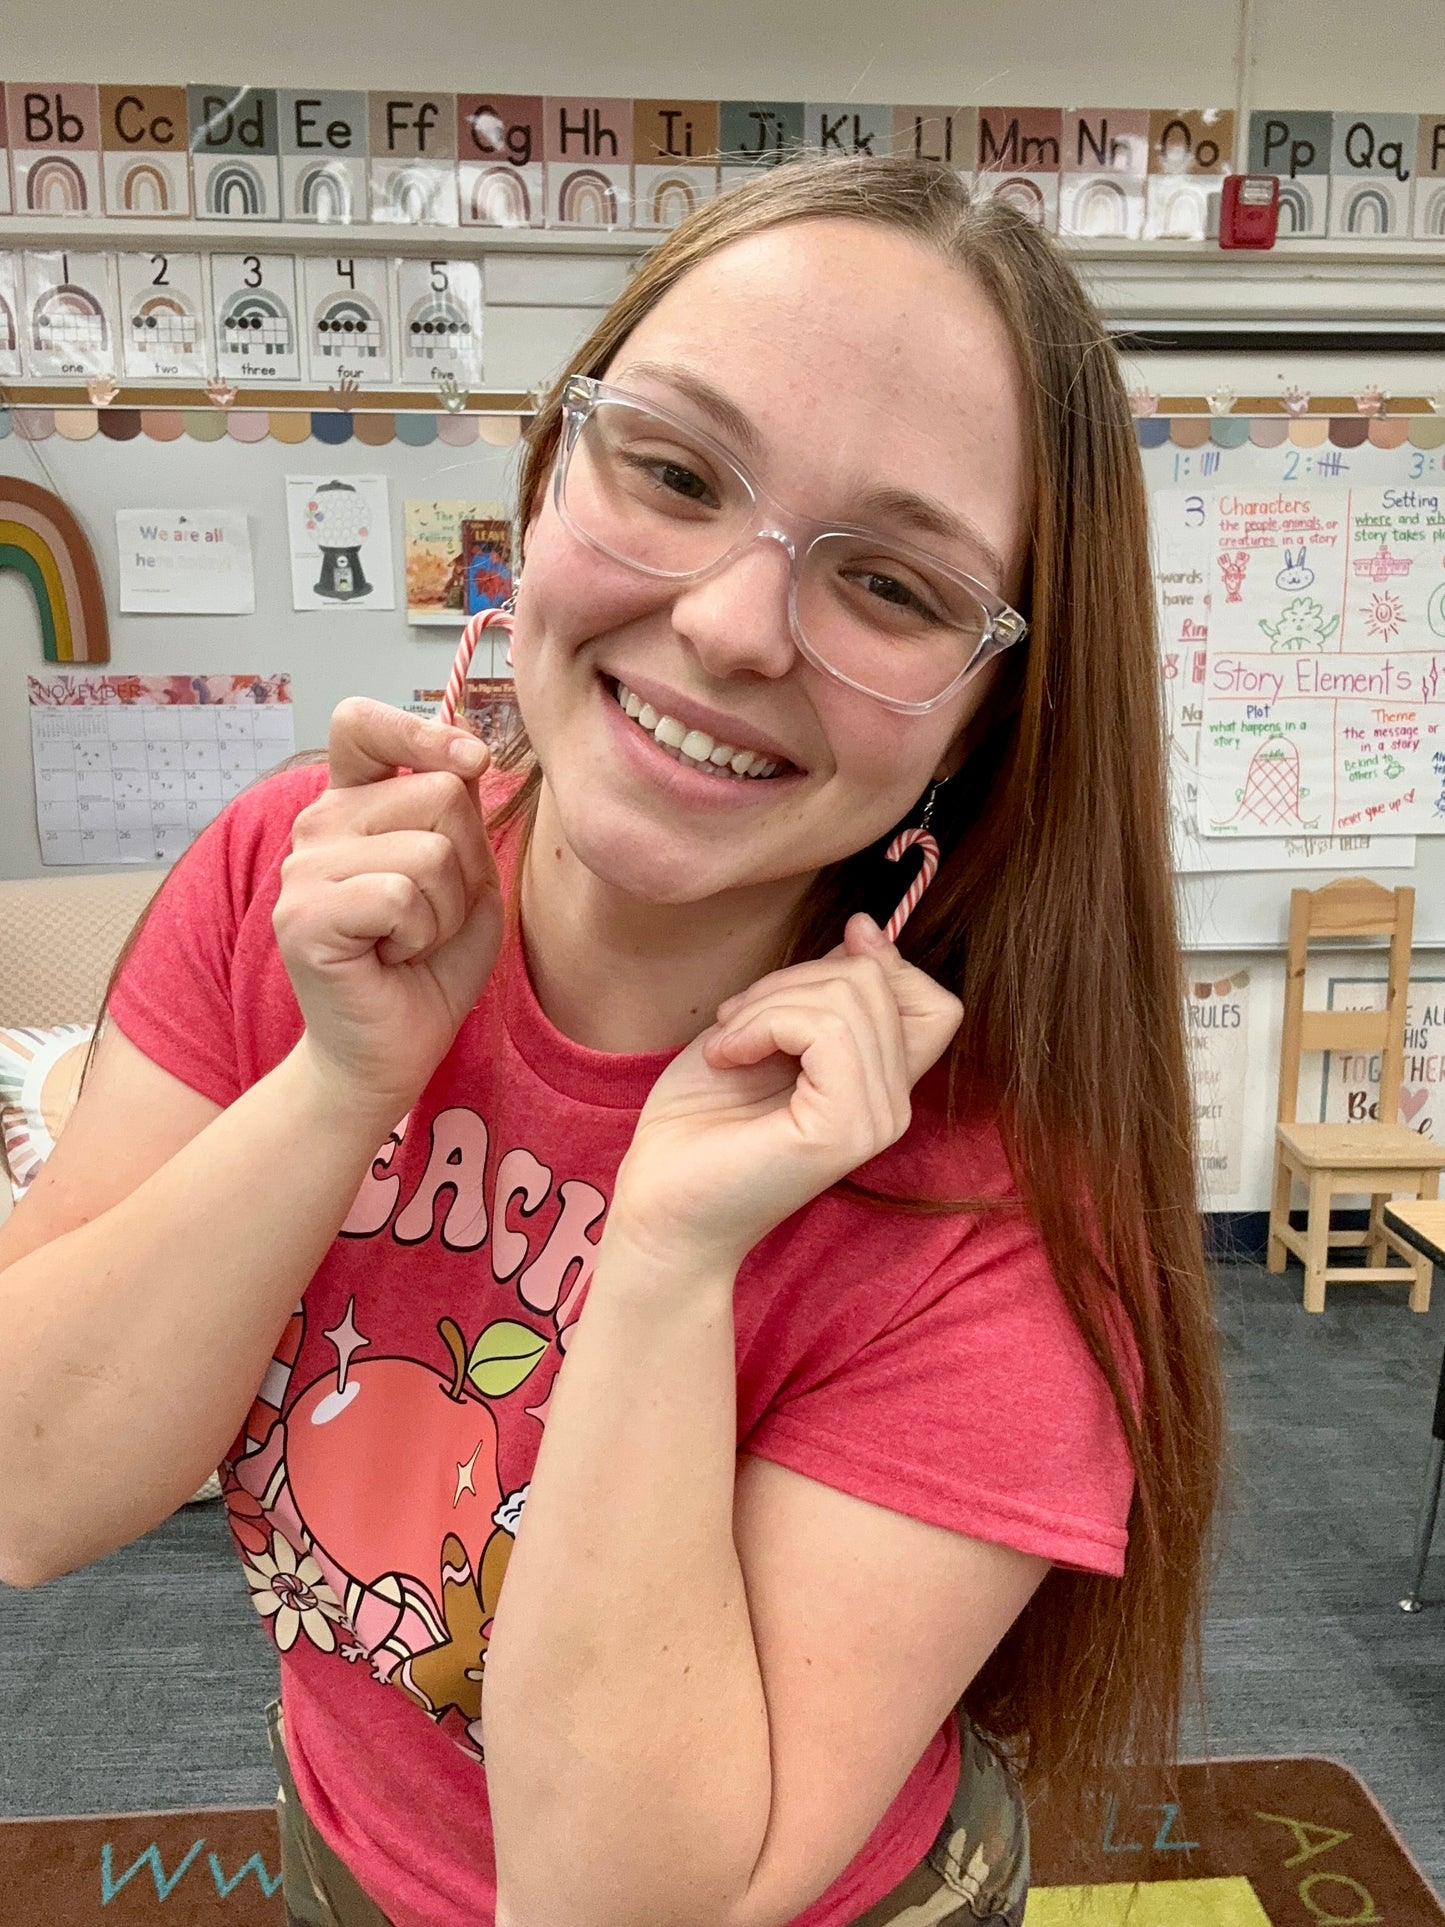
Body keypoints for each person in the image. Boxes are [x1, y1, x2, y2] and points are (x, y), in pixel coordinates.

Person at [0, 155, 1223, 1927]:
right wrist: (342, 1080)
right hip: (344, 1840)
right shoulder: (296, 875)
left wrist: (664, 1260)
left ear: (980, 719)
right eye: (669, 471)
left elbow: (614, 1909)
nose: (729, 626)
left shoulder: (997, 1207)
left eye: (889, 588)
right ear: (546, 474)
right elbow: (30, 1490)